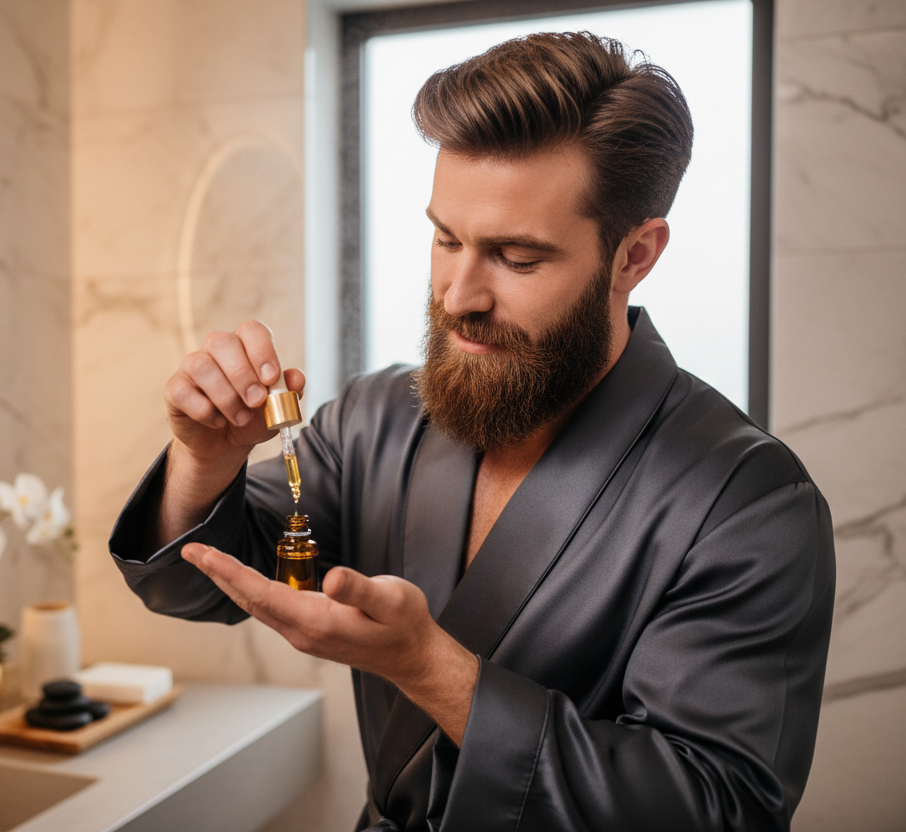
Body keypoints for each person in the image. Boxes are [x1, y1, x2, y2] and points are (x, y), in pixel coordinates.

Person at [109, 32, 834, 832]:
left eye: (516, 257)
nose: (458, 294)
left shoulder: (748, 501)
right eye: (446, 238)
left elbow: (715, 810)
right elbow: (188, 585)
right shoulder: (376, 418)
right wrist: (204, 459)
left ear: (635, 255)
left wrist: (430, 667)